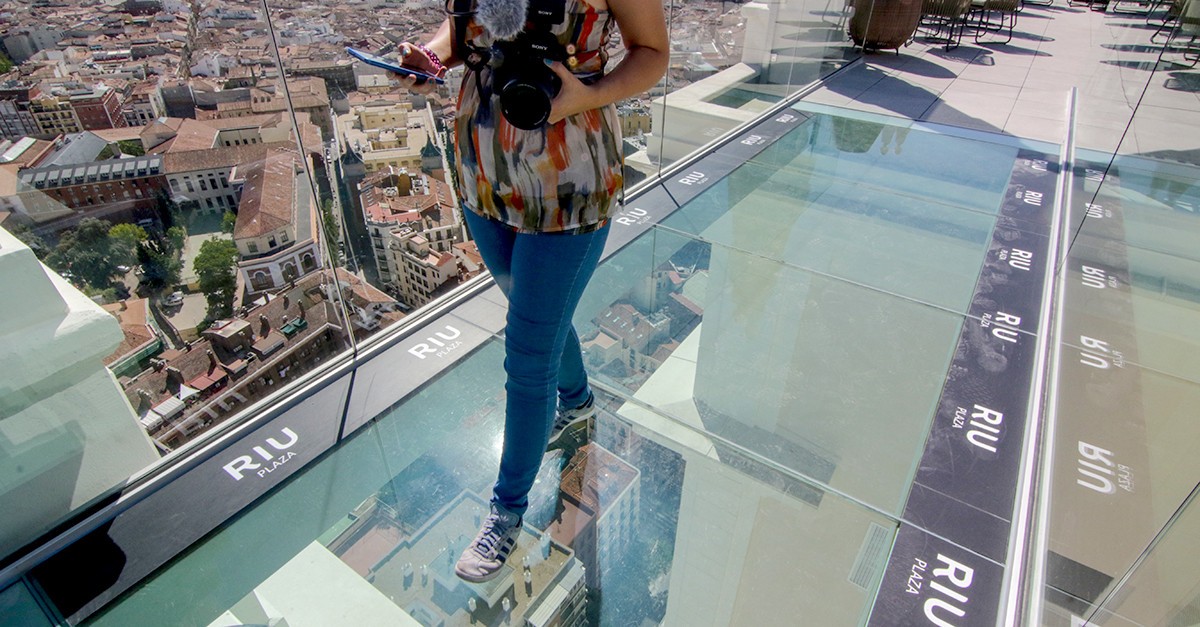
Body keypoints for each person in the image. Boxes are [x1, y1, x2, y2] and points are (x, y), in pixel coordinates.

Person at [396, 0, 668, 583]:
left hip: (571, 178)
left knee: (526, 352)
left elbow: (653, 53)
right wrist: (432, 53)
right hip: (482, 170)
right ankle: (578, 401)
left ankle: (507, 511)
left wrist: (587, 96)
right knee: (534, 318)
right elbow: (467, 25)